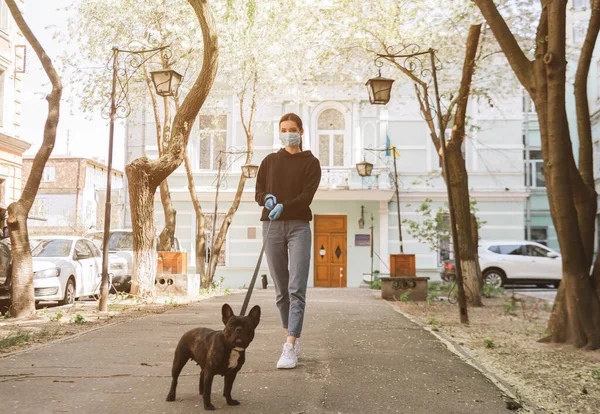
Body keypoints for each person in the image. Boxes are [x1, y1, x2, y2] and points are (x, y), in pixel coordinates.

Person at [255, 113, 321, 369]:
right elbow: (258, 191)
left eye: (292, 129)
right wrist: (267, 200)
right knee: (281, 290)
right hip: (271, 226)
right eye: (283, 129)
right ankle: (290, 334)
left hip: (298, 227)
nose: (287, 133)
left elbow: (306, 196)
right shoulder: (269, 161)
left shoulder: (310, 163)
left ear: (301, 132)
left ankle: (290, 345)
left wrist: (285, 205)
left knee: (296, 288)